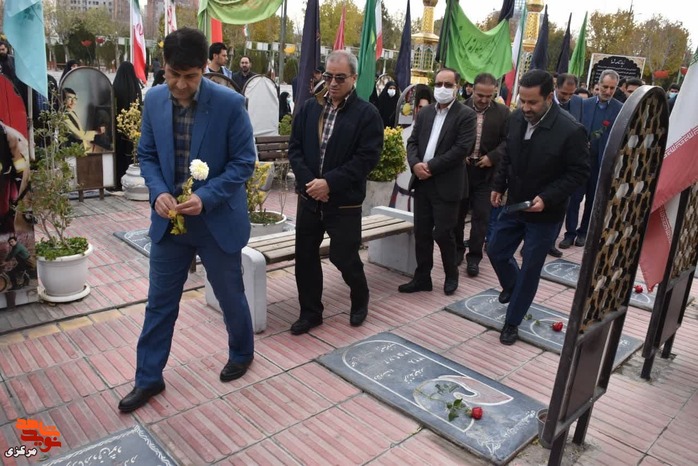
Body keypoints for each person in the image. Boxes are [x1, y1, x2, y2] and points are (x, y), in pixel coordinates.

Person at [118, 27, 256, 413]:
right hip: (169, 223)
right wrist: (158, 191)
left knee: (230, 295)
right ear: (163, 66)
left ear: (204, 69)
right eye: (173, 74)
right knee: (160, 303)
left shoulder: (229, 104)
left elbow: (244, 161)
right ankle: (148, 377)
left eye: (190, 76)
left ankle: (242, 352)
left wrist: (206, 197)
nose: (180, 84)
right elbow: (147, 154)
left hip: (215, 221)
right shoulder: (154, 100)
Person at [488, 69, 589, 345]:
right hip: (515, 205)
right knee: (495, 250)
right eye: (522, 101)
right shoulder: (516, 119)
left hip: (545, 213)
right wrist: (498, 185)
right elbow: (507, 155)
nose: (525, 107)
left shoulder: (570, 130)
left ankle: (512, 322)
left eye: (532, 102)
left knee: (531, 268)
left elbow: (579, 172)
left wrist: (547, 197)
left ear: (548, 97)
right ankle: (513, 287)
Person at [287, 50, 383, 335]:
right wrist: (311, 184)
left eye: (340, 78)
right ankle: (310, 313)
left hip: (343, 203)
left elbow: (366, 159)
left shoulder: (367, 114)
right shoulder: (309, 108)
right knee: (305, 257)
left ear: (354, 78)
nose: (332, 83)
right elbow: (295, 149)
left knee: (344, 256)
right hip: (310, 199)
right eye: (328, 76)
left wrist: (329, 183)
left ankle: (360, 297)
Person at [398, 67, 476, 296]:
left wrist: (430, 167)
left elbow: (461, 149)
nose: (442, 89)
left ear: (457, 88)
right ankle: (422, 277)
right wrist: (415, 164)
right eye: (439, 84)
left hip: (447, 184)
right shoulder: (425, 113)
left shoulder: (466, 115)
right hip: (422, 182)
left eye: (448, 85)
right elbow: (412, 142)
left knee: (443, 233)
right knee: (421, 233)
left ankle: (451, 275)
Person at [559, 69, 622, 250]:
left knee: (592, 201)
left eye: (612, 88)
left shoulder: (619, 109)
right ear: (598, 85)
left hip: (601, 164)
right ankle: (569, 233)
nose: (608, 91)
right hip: (580, 162)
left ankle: (583, 232)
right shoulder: (583, 104)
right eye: (605, 86)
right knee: (574, 200)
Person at [455, 73, 509, 277]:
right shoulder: (459, 108)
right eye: (480, 95)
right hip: (461, 172)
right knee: (457, 215)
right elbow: (450, 136)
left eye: (489, 96)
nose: (484, 100)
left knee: (481, 217)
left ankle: (474, 258)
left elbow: (508, 141)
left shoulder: (503, 113)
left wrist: (493, 157)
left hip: (486, 174)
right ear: (472, 89)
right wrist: (459, 154)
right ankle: (457, 251)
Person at [113, 61, 143, 189]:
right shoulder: (135, 87)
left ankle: (116, 180)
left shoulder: (115, 88)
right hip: (133, 127)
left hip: (117, 127)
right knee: (130, 154)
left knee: (118, 155)